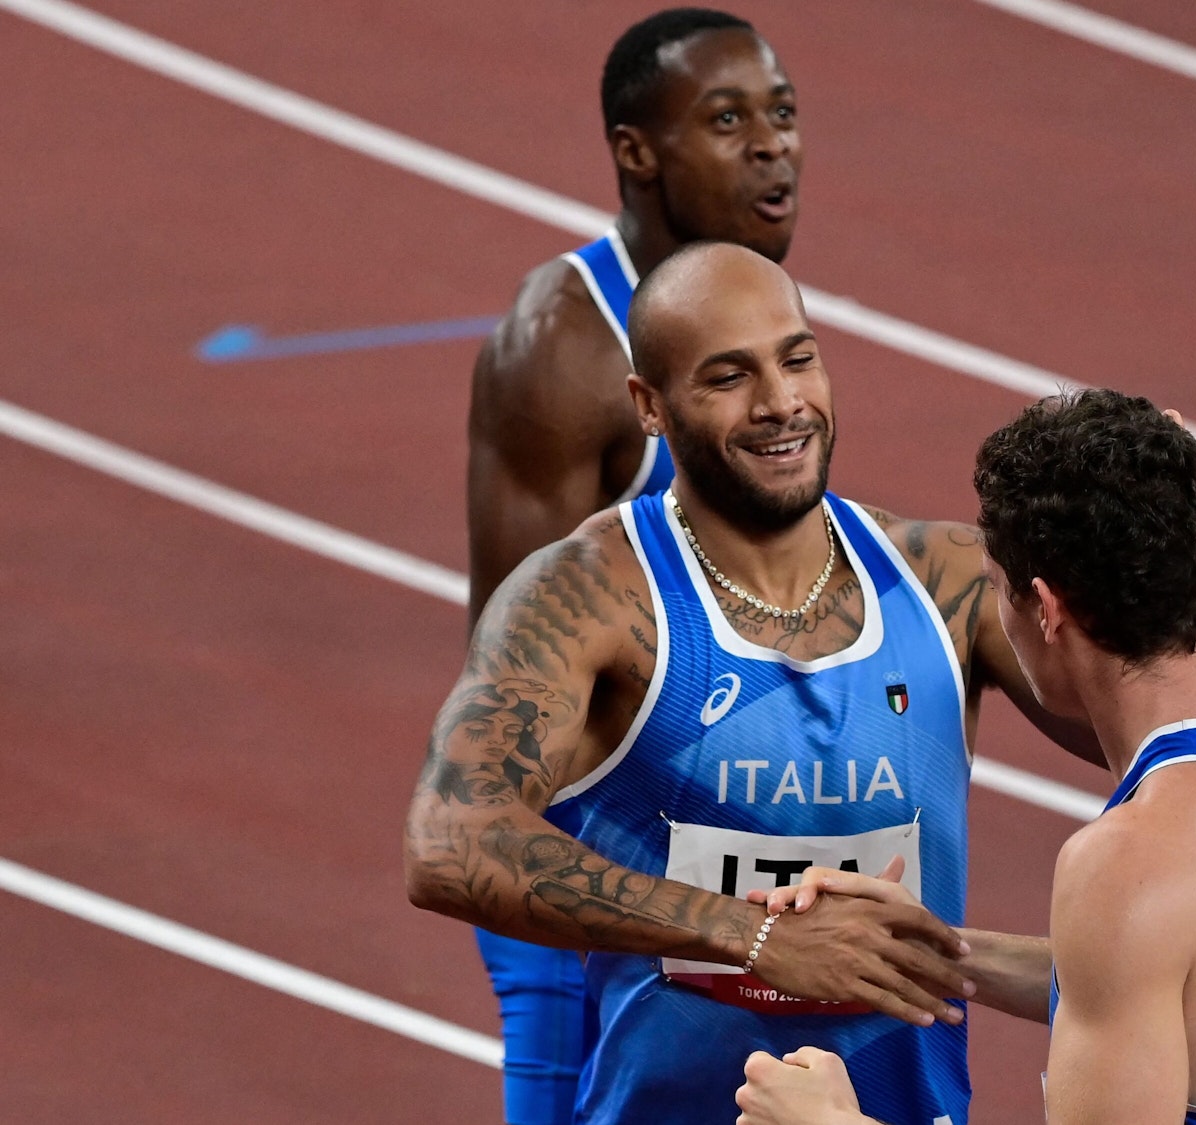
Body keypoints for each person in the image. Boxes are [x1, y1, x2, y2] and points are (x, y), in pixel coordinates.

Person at [405, 243, 1196, 1125]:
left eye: (798, 357)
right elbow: (449, 840)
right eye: (728, 377)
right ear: (650, 407)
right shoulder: (588, 596)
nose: (781, 401)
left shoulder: (946, 580)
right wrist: (754, 936)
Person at [732, 389, 1196, 1125]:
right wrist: (944, 953)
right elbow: (1191, 982)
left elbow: (1142, 938)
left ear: (1047, 607)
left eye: (996, 589)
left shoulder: (1130, 865)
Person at [461, 11, 803, 1121]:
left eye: (780, 114)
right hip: (582, 875)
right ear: (636, 152)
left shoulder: (739, 319)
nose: (770, 145)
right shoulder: (565, 347)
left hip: (707, 853)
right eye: (725, 119)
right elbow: (517, 677)